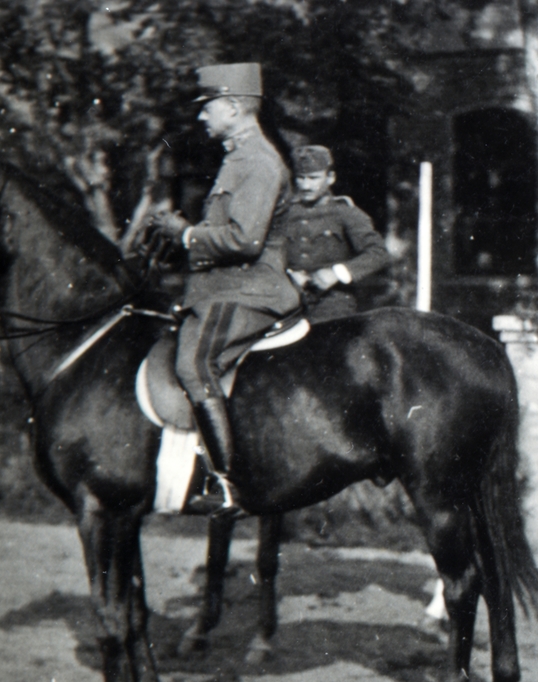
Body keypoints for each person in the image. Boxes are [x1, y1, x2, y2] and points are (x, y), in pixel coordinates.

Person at [150, 63, 301, 513]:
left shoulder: (257, 161)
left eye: (208, 107)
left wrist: (187, 235)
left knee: (194, 364)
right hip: (225, 287)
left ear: (234, 107)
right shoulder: (237, 157)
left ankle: (227, 485)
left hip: (249, 290)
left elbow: (245, 239)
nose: (202, 117)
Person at [281, 145, 389, 321]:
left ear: (330, 177)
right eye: (301, 178)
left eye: (314, 178)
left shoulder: (345, 213)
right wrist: (288, 274)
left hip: (332, 301)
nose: (306, 185)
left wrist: (336, 273)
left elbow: (378, 253)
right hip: (289, 299)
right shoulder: (284, 214)